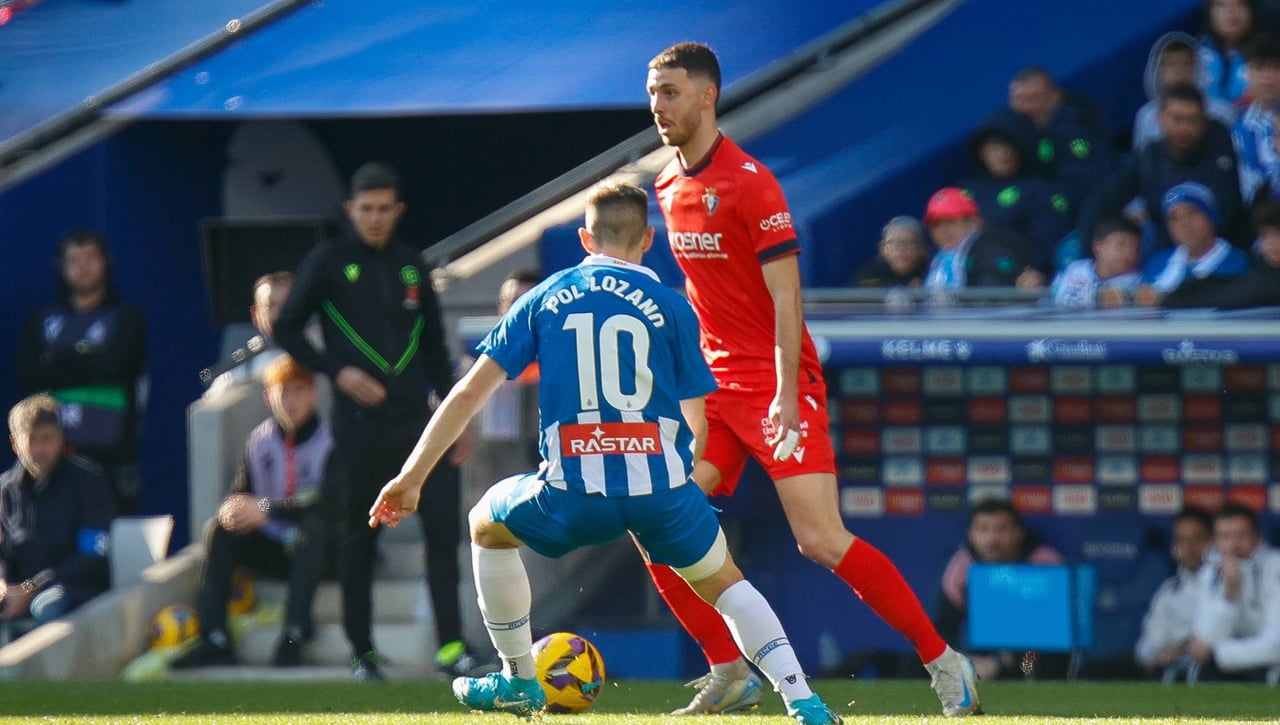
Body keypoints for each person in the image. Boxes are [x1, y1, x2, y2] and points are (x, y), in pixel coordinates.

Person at [369, 181, 843, 724]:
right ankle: (802, 698)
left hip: (574, 494)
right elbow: (696, 416)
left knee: (485, 525)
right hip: (661, 491)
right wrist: (677, 476)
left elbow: (468, 393)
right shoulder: (673, 305)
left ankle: (520, 679)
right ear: (647, 239)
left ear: (584, 238)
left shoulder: (543, 297)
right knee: (727, 583)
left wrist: (411, 477)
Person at [644, 42, 979, 717]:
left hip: (773, 383)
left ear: (708, 96)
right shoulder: (666, 182)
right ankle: (729, 668)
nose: (658, 107)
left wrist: (787, 393)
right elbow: (697, 285)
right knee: (655, 517)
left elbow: (788, 299)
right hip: (712, 388)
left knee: (820, 539)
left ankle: (944, 660)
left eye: (671, 92)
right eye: (653, 93)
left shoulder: (751, 181)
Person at [272, 162, 477, 681]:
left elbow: (434, 349)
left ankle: (452, 647)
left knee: (443, 531)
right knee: (359, 538)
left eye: (386, 209)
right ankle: (362, 651)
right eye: (367, 209)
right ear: (350, 210)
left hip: (417, 425)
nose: (377, 218)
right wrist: (334, 370)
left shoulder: (411, 265)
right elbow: (287, 327)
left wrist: (455, 419)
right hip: (360, 428)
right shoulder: (328, 260)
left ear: (399, 210)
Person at [172, 356, 332, 669]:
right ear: (267, 397)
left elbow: (330, 504)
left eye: (298, 390)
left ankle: (294, 634)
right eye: (282, 391)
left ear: (314, 394)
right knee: (219, 529)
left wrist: (265, 509)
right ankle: (215, 637)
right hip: (275, 549)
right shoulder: (260, 440)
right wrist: (232, 510)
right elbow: (241, 493)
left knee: (315, 529)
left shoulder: (331, 439)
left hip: (323, 551)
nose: (291, 400)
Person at [16, 228, 147, 514]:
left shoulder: (126, 318)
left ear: (106, 263)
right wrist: (88, 358)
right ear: (61, 268)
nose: (83, 267)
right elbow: (29, 374)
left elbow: (117, 366)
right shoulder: (43, 321)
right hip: (53, 457)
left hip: (111, 457)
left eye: (91, 258)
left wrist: (58, 359)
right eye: (74, 260)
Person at [1078, 84, 1246, 252]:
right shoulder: (1150, 157)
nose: (1184, 128)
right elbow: (1102, 201)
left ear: (1205, 122)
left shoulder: (1221, 152)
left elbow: (1223, 213)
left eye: (1193, 120)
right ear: (1161, 119)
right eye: (1177, 119)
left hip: (1219, 249)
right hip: (1165, 253)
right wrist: (1092, 249)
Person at [0, 394, 113, 630]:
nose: (40, 448)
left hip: (73, 588)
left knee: (45, 607)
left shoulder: (88, 481)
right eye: (32, 440)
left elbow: (92, 558)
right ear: (14, 443)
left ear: (60, 439)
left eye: (47, 439)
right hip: (18, 589)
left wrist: (32, 588)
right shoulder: (5, 490)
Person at [934, 498, 1065, 680]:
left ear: (1018, 532)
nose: (992, 539)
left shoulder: (1044, 563)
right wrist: (964, 662)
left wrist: (1003, 662)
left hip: (1032, 653)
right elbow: (945, 625)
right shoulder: (962, 567)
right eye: (983, 529)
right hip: (982, 655)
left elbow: (1052, 627)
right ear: (971, 534)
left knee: (1031, 667)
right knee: (923, 664)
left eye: (1001, 529)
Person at [960, 116, 1073, 274]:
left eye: (1009, 144)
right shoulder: (963, 191)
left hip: (1016, 281)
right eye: (994, 146)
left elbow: (1047, 247)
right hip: (959, 282)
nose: (1003, 152)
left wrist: (1035, 273)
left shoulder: (1041, 191)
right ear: (981, 151)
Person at [1186, 503, 1280, 679]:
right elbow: (1203, 644)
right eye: (1225, 537)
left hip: (1269, 665)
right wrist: (1230, 593)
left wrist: (1219, 654)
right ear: (1214, 541)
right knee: (1203, 674)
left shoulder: (1275, 566)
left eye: (1241, 535)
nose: (1233, 544)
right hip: (1233, 662)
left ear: (1257, 537)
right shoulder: (1210, 572)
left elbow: (1276, 645)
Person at [1001, 66, 1115, 210]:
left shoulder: (1075, 129)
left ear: (1056, 96)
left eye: (1034, 98)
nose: (1026, 108)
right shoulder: (1010, 133)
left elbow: (1090, 183)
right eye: (1019, 99)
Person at [1135, 181, 1250, 306]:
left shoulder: (1240, 265)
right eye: (1174, 218)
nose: (1183, 223)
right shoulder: (1157, 262)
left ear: (1210, 217)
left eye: (1192, 213)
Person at [1134, 506, 1214, 675]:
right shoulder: (1169, 591)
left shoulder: (1224, 585)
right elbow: (1147, 643)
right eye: (1181, 540)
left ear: (1211, 541)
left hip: (1210, 668)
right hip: (1168, 668)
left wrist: (1182, 649)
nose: (1189, 548)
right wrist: (1157, 656)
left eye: (1196, 539)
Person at [922, 187, 1044, 293]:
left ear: (973, 222)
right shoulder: (939, 258)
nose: (942, 230)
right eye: (936, 224)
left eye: (950, 221)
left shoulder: (990, 250)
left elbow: (991, 295)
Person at [1163, 198, 1280, 307]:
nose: (1272, 243)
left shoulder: (1258, 280)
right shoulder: (1255, 271)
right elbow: (1218, 292)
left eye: (1278, 234)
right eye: (1265, 236)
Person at [1135, 32, 1237, 151]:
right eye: (1170, 64)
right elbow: (1142, 162)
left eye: (1186, 63)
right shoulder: (1147, 117)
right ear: (1158, 71)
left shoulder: (1223, 112)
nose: (1178, 71)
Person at [204, 271, 294, 395]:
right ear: (255, 315)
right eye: (271, 306)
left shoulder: (323, 350)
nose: (279, 314)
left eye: (287, 305)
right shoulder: (235, 374)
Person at [1051, 217, 1144, 309]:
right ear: (1098, 246)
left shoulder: (1135, 282)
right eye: (1121, 245)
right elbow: (1054, 293)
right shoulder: (1075, 269)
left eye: (1135, 248)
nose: (1129, 253)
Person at [1232, 33, 1280, 206]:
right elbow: (1247, 185)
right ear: (1247, 73)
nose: (1268, 76)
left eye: (1275, 68)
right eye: (1259, 68)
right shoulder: (1240, 127)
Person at [1199, 0, 1258, 110]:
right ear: (1209, 12)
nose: (1231, 12)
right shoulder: (1194, 54)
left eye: (1240, 3)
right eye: (1221, 5)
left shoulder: (1268, 56)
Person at [848, 216, 930, 288]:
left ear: (922, 249)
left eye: (910, 244)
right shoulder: (866, 275)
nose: (902, 250)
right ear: (882, 249)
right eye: (895, 244)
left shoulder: (933, 273)